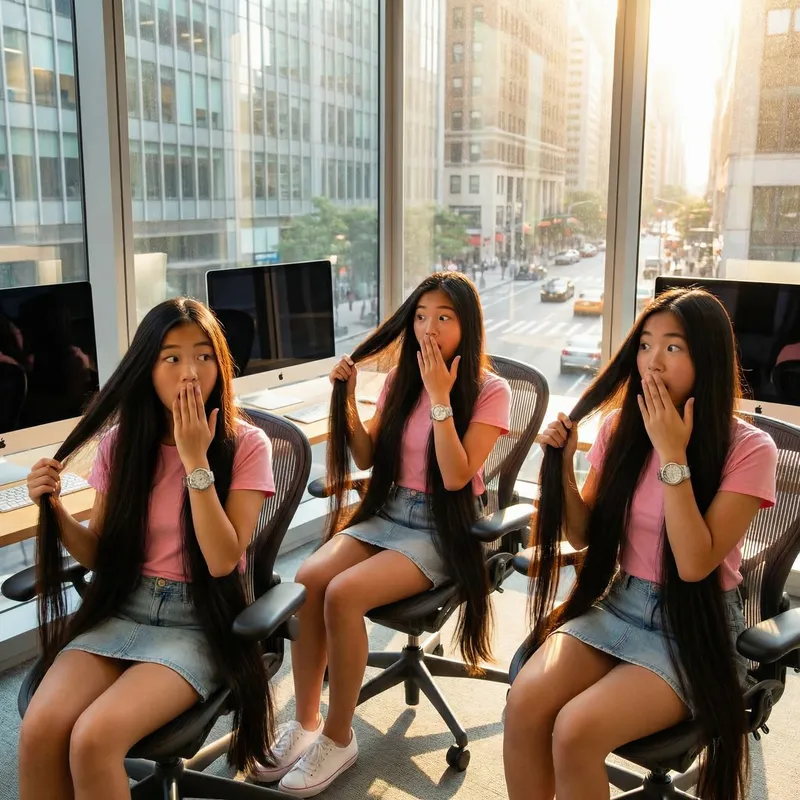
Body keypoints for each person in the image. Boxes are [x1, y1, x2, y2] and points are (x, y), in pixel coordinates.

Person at [503, 288, 777, 800]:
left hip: (694, 626)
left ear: (708, 358)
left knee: (575, 730)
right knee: (524, 702)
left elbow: (695, 563)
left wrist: (673, 452)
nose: (653, 361)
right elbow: (583, 534)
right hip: (621, 603)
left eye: (673, 347)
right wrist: (562, 471)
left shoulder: (750, 448)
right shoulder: (617, 429)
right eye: (646, 344)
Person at [250, 271, 511, 796]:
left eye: (444, 318)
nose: (429, 329)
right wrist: (345, 396)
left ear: (468, 325)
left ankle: (339, 739)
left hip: (445, 524)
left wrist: (441, 397)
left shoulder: (490, 391)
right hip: (390, 511)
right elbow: (368, 457)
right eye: (420, 317)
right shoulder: (400, 379)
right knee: (310, 578)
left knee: (344, 595)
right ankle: (305, 724)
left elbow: (458, 474)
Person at [18, 298, 277, 800]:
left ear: (220, 365)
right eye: (172, 358)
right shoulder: (120, 444)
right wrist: (55, 511)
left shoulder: (247, 445)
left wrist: (194, 461)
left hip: (198, 620)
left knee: (93, 740)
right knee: (40, 730)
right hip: (123, 608)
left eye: (203, 356)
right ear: (147, 368)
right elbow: (103, 556)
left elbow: (224, 560)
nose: (190, 372)